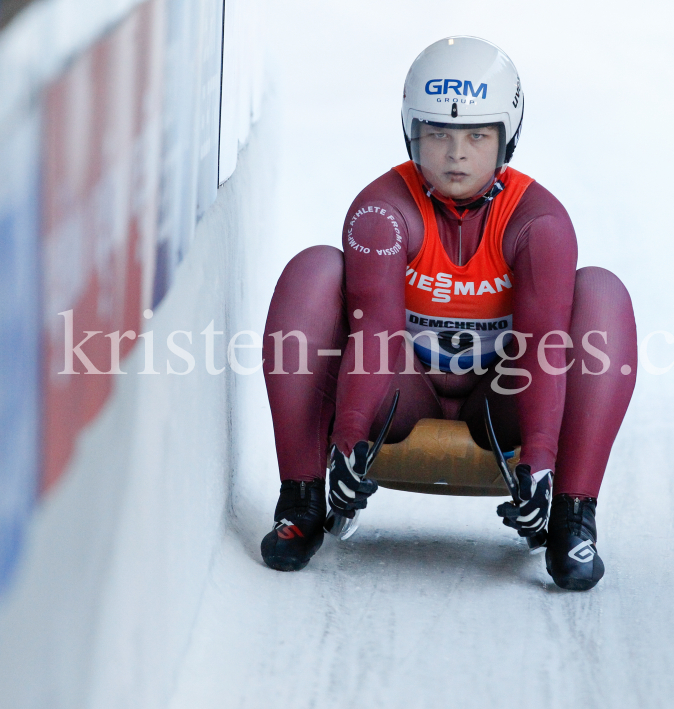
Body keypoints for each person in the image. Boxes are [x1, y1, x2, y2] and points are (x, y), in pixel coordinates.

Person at [259, 37, 637, 591]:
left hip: (500, 396)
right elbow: (377, 336)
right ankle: (303, 498)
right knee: (314, 272)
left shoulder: (540, 223)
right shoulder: (380, 211)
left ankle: (574, 515)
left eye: (476, 135)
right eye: (438, 133)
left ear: (507, 138)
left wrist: (538, 456)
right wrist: (348, 435)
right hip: (401, 389)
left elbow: (542, 348)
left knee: (602, 295)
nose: (456, 153)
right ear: (412, 133)